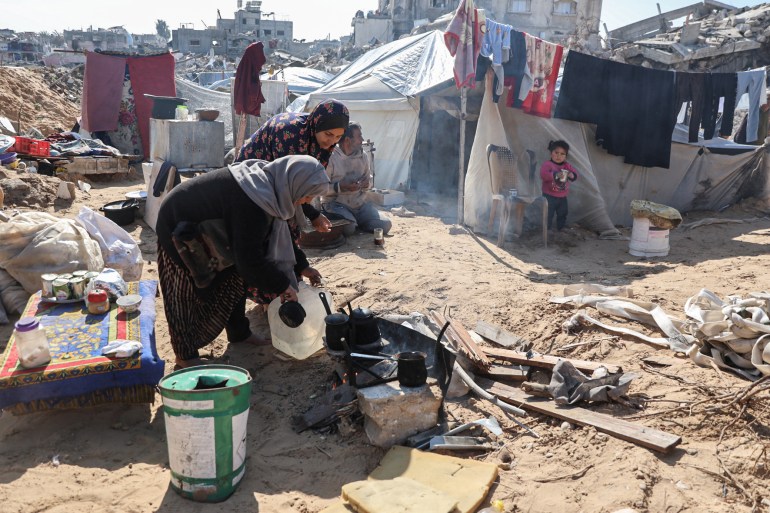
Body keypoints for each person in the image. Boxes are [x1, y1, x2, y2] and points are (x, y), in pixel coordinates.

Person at [156, 155, 330, 368]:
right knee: (184, 294)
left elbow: (278, 234)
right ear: (294, 183)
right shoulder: (254, 199)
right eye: (307, 195)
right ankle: (184, 355)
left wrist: (302, 266)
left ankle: (239, 333)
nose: (306, 201)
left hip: (217, 230)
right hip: (179, 225)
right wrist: (282, 285)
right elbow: (250, 260)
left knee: (235, 277)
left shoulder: (272, 189)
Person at [320, 122, 392, 237]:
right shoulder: (331, 157)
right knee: (349, 228)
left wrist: (366, 184)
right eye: (359, 136)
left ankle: (356, 222)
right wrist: (340, 187)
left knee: (385, 225)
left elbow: (369, 181)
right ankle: (353, 223)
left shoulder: (363, 155)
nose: (362, 139)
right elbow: (320, 189)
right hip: (336, 204)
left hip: (360, 204)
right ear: (348, 140)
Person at [540, 140, 578, 232]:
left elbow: (575, 175)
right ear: (551, 153)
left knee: (563, 213)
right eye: (556, 153)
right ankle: (546, 229)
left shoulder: (567, 166)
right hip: (549, 195)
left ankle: (561, 228)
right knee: (548, 213)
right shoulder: (547, 164)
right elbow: (543, 175)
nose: (558, 156)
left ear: (566, 156)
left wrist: (571, 175)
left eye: (562, 154)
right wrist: (556, 175)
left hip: (562, 196)